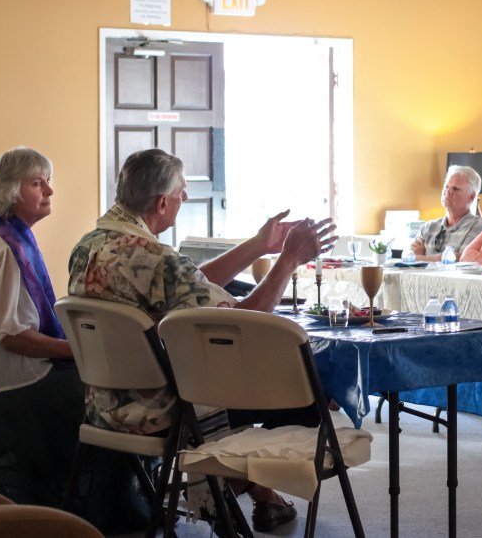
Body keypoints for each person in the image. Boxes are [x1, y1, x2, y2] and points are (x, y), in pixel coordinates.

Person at [67, 148, 335, 531]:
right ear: (162, 202)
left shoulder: (88, 246)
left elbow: (189, 285)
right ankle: (253, 483)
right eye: (181, 193)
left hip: (102, 405)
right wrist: (290, 259)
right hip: (163, 412)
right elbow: (247, 322)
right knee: (304, 391)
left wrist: (259, 245)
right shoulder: (158, 259)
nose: (186, 199)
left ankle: (259, 492)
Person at [0, 147, 80, 508]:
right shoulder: (5, 245)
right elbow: (11, 335)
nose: (50, 191)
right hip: (4, 390)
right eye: (38, 183)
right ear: (9, 191)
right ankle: (103, 509)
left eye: (48, 182)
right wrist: (76, 350)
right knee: (104, 391)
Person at [411, 165, 482, 262]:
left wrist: (420, 258)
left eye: (455, 188)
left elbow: (463, 259)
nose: (448, 191)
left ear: (471, 197)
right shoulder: (428, 227)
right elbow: (409, 257)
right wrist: (442, 258)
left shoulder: (479, 226)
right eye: (446, 186)